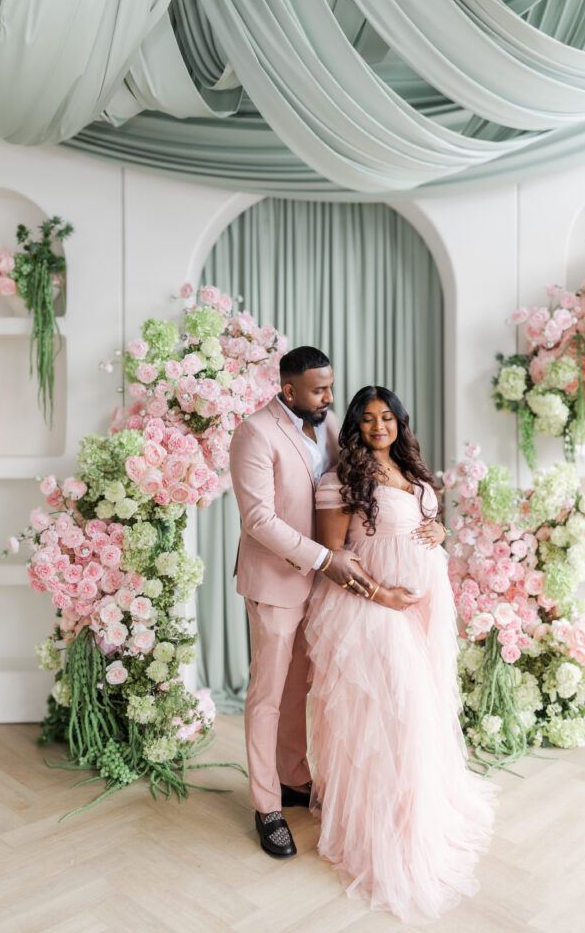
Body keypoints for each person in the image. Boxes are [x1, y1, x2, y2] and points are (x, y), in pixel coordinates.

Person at [304, 386, 497, 923]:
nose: (379, 426)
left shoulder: (410, 468)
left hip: (422, 608)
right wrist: (382, 595)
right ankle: (378, 824)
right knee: (392, 715)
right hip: (372, 609)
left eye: (387, 417)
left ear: (400, 421)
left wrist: (439, 529)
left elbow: (421, 527)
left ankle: (415, 807)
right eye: (368, 419)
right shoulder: (341, 480)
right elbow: (335, 556)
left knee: (424, 709)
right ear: (354, 425)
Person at [229, 346, 372, 859]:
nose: (330, 398)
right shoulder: (254, 433)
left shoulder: (327, 422)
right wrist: (323, 559)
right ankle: (267, 806)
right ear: (288, 390)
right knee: (267, 694)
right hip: (274, 582)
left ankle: (294, 779)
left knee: (300, 689)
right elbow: (258, 520)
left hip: (321, 583)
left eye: (331, 387)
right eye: (319, 389)